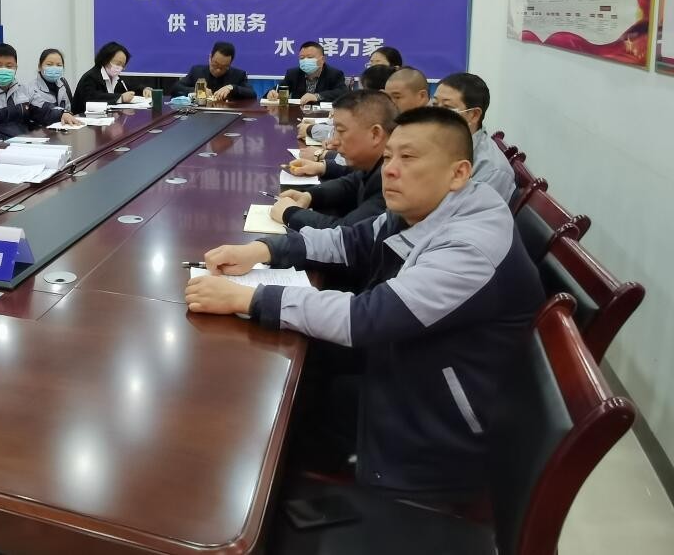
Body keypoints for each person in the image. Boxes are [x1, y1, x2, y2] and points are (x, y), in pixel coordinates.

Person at [186, 107, 545, 501]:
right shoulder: (428, 207)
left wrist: (250, 297)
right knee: (282, 386)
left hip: (434, 435)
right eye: (388, 156)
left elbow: (365, 319)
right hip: (407, 370)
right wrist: (263, 250)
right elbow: (350, 241)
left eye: (408, 157)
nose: (390, 169)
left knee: (268, 429)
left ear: (459, 173)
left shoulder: (471, 246)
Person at [271, 90, 396, 230]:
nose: (333, 142)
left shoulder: (393, 178)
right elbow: (350, 184)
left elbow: (346, 234)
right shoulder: (374, 164)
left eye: (341, 131)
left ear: (375, 134)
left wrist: (290, 214)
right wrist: (309, 196)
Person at [433, 72, 516, 203]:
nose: (435, 115)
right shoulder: (435, 141)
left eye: (447, 108)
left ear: (474, 115)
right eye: (434, 105)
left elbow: (470, 212)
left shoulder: (492, 170)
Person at [0, 43, 79, 138]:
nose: (4, 70)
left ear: (16, 68)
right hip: (1, 151)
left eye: (9, 66)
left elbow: (43, 109)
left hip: (28, 144)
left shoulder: (23, 90)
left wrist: (61, 114)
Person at [71, 41, 151, 113]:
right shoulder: (90, 77)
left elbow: (130, 88)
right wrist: (120, 98)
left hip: (105, 119)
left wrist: (144, 89)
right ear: (105, 59)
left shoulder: (115, 78)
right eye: (118, 63)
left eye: (123, 65)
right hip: (83, 120)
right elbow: (92, 98)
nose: (120, 68)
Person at [168, 41, 256, 101]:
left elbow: (252, 94)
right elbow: (175, 88)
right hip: (200, 116)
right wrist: (196, 90)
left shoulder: (238, 75)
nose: (218, 70)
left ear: (230, 63)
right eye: (215, 65)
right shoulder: (197, 71)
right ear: (210, 57)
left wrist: (232, 87)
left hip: (228, 116)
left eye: (224, 67)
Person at [266, 41, 348, 105]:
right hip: (297, 114)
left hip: (323, 116)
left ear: (322, 60)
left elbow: (343, 93)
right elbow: (280, 89)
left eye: (310, 57)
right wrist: (272, 93)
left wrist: (317, 96)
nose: (305, 61)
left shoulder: (334, 74)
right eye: (302, 58)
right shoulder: (293, 73)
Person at [27, 48, 75, 112]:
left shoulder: (63, 84)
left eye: (59, 65)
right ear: (39, 66)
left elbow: (69, 109)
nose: (54, 68)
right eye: (49, 64)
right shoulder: (31, 89)